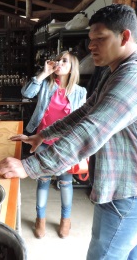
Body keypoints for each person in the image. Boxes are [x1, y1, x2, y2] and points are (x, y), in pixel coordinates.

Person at [0, 4, 137, 259]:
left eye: (99, 39)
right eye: (90, 40)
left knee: (104, 255)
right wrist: (43, 135)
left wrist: (30, 167)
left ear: (125, 36)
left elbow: (92, 129)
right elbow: (83, 113)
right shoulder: (116, 73)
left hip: (131, 192)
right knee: (133, 252)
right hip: (133, 189)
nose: (91, 46)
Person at [17, 51, 86, 239]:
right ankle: (40, 220)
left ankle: (66, 220)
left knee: (65, 183)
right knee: (43, 181)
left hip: (66, 146)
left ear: (73, 67)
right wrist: (43, 73)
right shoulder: (47, 86)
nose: (60, 63)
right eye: (58, 59)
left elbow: (83, 122)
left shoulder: (80, 92)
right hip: (43, 141)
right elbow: (26, 93)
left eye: (65, 61)